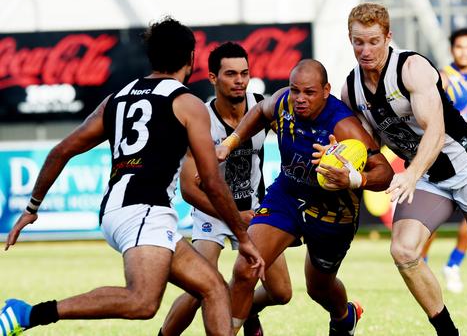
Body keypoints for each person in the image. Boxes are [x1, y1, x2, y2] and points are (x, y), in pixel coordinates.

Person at [0, 17, 264, 336]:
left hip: (127, 211)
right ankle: (28, 313)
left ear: (151, 56)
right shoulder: (187, 103)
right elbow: (211, 180)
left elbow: (61, 150)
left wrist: (32, 208)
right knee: (143, 302)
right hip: (144, 211)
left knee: (213, 288)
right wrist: (244, 236)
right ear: (192, 59)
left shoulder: (118, 98)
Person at [343, 2, 467, 336]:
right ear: (349, 39)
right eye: (358, 42)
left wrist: (409, 173)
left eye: (373, 41)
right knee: (403, 250)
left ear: (388, 37)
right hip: (426, 176)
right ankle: (447, 333)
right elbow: (369, 148)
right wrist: (347, 168)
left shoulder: (412, 68)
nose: (365, 50)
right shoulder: (350, 90)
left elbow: (435, 131)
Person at [219, 59, 394, 335]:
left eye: (309, 92)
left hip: (333, 211)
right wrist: (230, 143)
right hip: (287, 193)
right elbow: (260, 112)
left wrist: (354, 179)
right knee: (245, 268)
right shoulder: (283, 101)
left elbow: (384, 172)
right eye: (295, 90)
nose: (299, 99)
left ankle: (344, 317)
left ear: (326, 90)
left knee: (319, 288)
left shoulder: (343, 125)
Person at [159, 42, 290, 336]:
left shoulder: (261, 108)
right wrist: (232, 214)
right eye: (231, 74)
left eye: (244, 73)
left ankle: (244, 304)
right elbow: (189, 190)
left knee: (281, 293)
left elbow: (292, 117)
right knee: (198, 289)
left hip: (256, 212)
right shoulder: (200, 119)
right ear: (213, 78)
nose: (240, 80)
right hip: (213, 213)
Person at [421, 27, 467, 294]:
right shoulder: (444, 78)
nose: (464, 51)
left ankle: (453, 264)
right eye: (459, 47)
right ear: (452, 50)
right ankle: (423, 264)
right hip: (448, 156)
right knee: (432, 218)